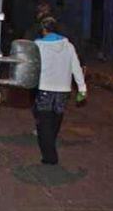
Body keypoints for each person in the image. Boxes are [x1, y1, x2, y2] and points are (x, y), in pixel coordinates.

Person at [33, 16, 87, 165]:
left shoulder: (38, 45)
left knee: (43, 124)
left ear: (43, 29)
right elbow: (76, 67)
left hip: (44, 88)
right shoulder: (68, 45)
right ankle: (50, 147)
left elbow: (32, 67)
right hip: (63, 90)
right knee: (55, 121)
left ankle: (50, 156)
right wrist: (82, 88)